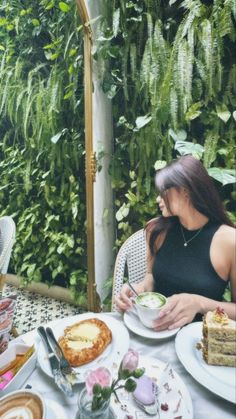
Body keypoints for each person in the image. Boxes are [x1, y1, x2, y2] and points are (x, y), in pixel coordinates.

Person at [115, 155, 236, 330]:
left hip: (200, 345)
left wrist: (199, 303)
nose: (158, 199)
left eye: (163, 191)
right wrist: (136, 289)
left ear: (185, 191)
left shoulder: (230, 241)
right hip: (155, 333)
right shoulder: (155, 230)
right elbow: (151, 279)